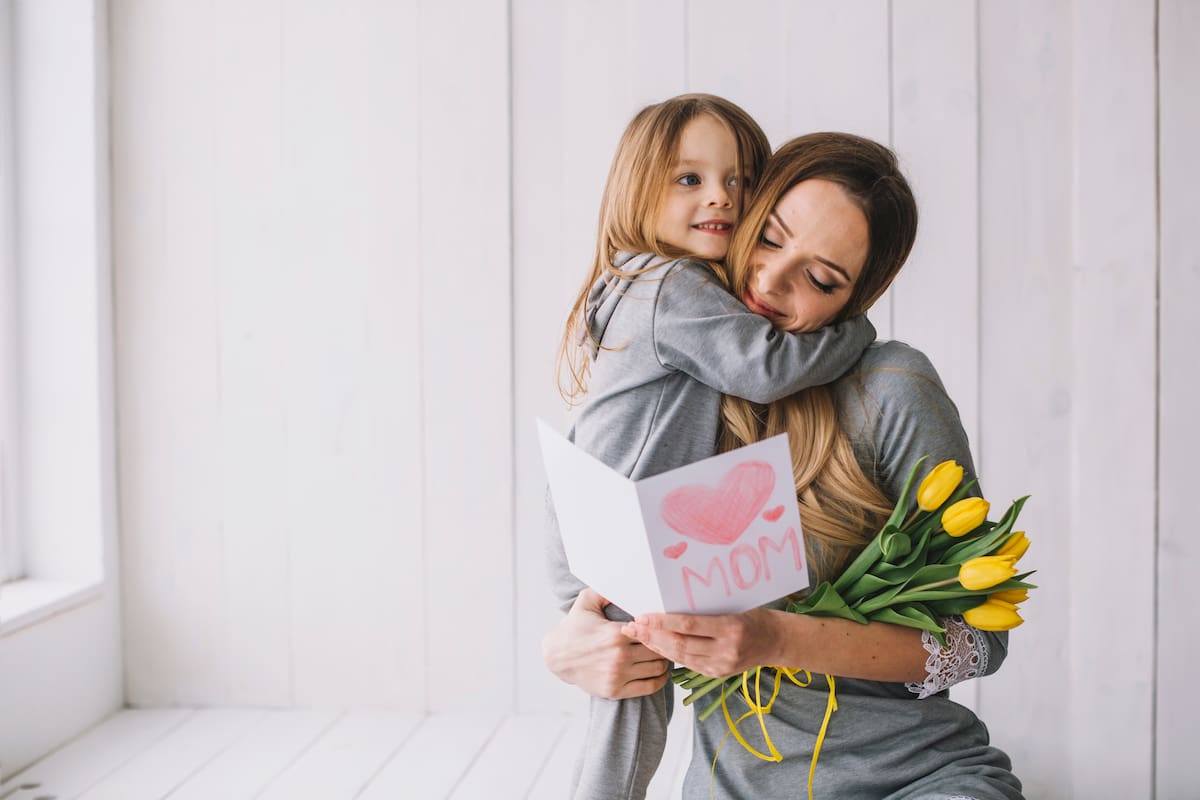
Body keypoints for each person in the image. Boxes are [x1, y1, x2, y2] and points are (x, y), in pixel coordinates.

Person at [544, 132, 1025, 800]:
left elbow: (978, 640)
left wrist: (776, 638)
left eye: (821, 278)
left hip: (916, 781)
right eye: (769, 238)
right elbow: (597, 577)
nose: (771, 281)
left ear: (855, 300)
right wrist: (569, 647)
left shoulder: (891, 390)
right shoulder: (671, 388)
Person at [550, 95, 881, 799]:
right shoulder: (674, 286)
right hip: (628, 545)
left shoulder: (629, 283)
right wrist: (854, 332)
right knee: (627, 730)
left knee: (628, 720)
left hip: (593, 525)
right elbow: (764, 369)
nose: (721, 198)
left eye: (738, 179)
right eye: (690, 179)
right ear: (639, 187)